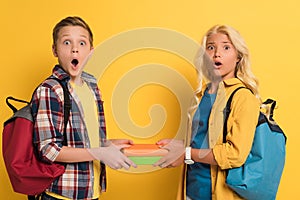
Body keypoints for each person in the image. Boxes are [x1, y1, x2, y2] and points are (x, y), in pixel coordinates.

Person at [31, 16, 136, 200]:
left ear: (90, 51)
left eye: (82, 42)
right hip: (61, 194)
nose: (74, 48)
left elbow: (82, 139)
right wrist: (99, 152)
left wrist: (107, 145)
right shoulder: (50, 90)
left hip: (90, 191)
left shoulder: (92, 87)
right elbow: (48, 150)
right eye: (66, 42)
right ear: (55, 50)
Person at [155, 25, 261, 200]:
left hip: (219, 194)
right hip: (192, 190)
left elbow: (235, 154)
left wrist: (186, 153)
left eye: (226, 47)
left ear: (238, 57)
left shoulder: (243, 97)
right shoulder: (201, 95)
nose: (217, 53)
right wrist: (179, 146)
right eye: (211, 47)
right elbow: (206, 140)